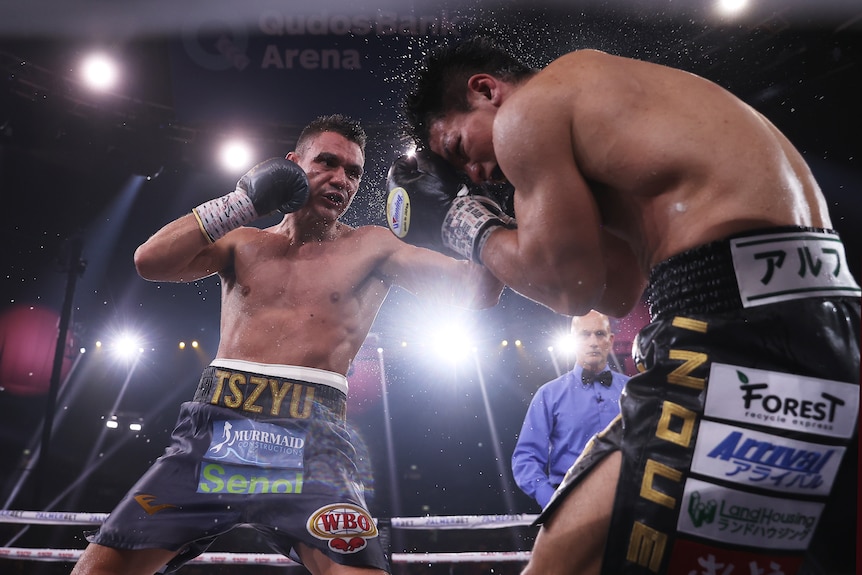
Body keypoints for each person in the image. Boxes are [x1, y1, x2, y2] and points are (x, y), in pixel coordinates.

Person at [386, 37, 861, 574]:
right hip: (831, 318)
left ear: (485, 90)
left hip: (729, 326)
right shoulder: (610, 107)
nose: (472, 172)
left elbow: (567, 288)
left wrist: (464, 224)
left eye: (456, 148)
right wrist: (498, 226)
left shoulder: (529, 111)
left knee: (566, 562)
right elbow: (613, 292)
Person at [70, 114, 504, 575]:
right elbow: (149, 261)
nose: (341, 179)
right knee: (96, 570)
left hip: (311, 443)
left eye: (353, 172)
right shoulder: (243, 242)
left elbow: (479, 292)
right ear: (293, 164)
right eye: (328, 163)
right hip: (215, 436)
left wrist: (469, 210)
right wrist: (241, 203)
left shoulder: (373, 247)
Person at [511, 310, 627, 509]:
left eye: (599, 334)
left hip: (626, 500)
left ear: (610, 340)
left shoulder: (633, 391)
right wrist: (552, 501)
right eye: (584, 334)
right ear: (573, 340)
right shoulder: (548, 394)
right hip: (569, 498)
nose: (593, 342)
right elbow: (525, 457)